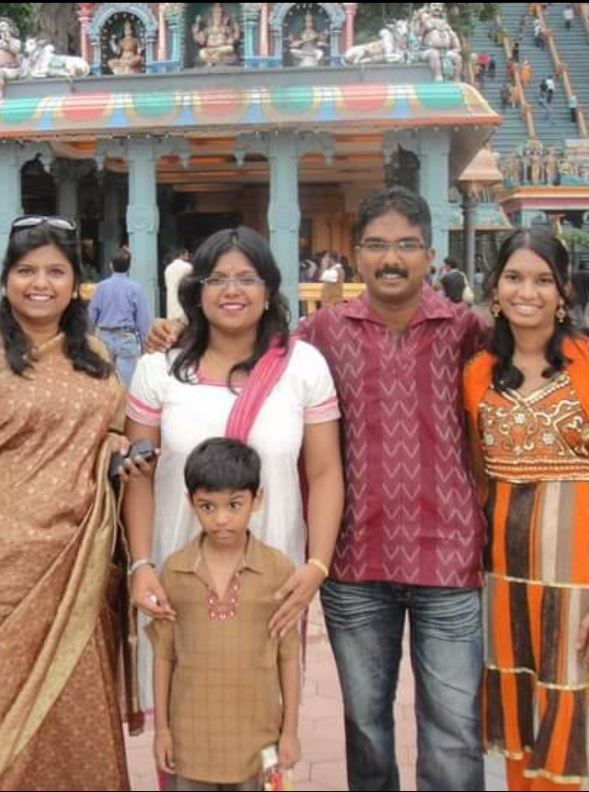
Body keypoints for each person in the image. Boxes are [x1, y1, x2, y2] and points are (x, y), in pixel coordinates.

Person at [145, 188, 487, 790]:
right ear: (354, 255)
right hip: (357, 561)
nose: (391, 257)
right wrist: (169, 332)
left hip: (449, 554)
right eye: (376, 244)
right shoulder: (322, 334)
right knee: (366, 726)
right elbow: (239, 341)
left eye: (406, 244)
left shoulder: (470, 330)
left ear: (431, 254)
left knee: (455, 729)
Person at [0, 214, 138, 790]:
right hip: (2, 574)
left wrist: (116, 442)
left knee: (81, 726)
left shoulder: (93, 353)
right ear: (5, 278)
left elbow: (109, 428)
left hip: (79, 570)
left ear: (76, 282)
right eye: (25, 270)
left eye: (55, 270)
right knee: (8, 740)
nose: (39, 282)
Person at [124, 226, 344, 710]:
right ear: (196, 291)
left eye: (247, 278)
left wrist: (316, 567)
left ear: (268, 292)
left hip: (273, 582)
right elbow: (137, 478)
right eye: (216, 278)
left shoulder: (303, 367)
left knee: (264, 727)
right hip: (177, 576)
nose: (231, 290)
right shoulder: (158, 370)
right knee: (182, 727)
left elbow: (326, 472)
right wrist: (141, 566)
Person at [462, 228, 589, 791]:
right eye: (514, 277)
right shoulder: (477, 374)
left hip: (577, 579)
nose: (527, 292)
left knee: (567, 710)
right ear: (494, 289)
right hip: (503, 577)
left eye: (543, 280)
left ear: (563, 292)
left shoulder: (587, 366)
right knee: (515, 712)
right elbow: (476, 473)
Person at [149, 438, 301, 791]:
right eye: (207, 506)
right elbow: (163, 656)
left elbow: (289, 656)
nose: (220, 519)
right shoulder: (175, 572)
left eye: (234, 504)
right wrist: (162, 731)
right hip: (191, 746)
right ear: (190, 503)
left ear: (257, 499)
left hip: (258, 742)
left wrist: (290, 731)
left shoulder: (278, 570)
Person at [89, 249, 151, 385]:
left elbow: (91, 315)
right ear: (130, 266)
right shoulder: (135, 288)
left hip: (104, 336)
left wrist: (89, 337)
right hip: (126, 337)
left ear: (111, 265)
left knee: (103, 380)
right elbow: (142, 321)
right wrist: (144, 344)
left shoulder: (100, 287)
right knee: (125, 383)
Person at [164, 248, 193, 321]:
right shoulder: (188, 267)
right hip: (184, 306)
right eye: (187, 254)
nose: (188, 256)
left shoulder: (168, 268)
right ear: (181, 255)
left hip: (171, 307)